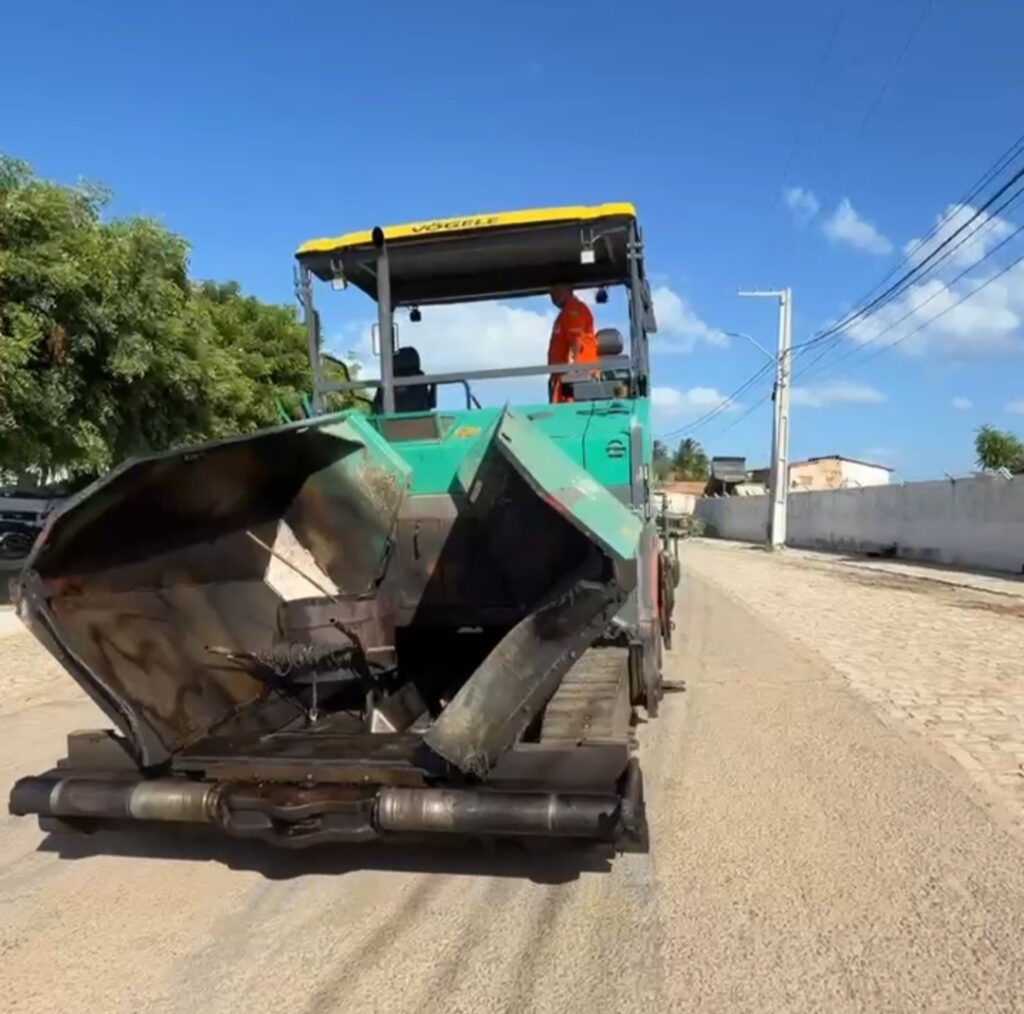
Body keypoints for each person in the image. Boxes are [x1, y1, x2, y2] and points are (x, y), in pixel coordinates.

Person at [547, 284, 598, 403]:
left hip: (575, 381)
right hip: (564, 378)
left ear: (567, 289)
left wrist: (572, 373)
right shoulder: (566, 312)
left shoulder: (573, 310)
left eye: (554, 292)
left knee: (567, 416)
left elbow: (576, 341)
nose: (552, 297)